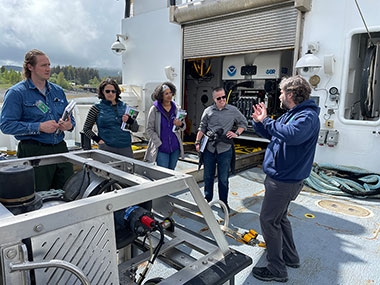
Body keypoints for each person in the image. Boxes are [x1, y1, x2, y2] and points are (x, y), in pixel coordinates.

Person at [251, 75, 320, 282]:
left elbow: (291, 135)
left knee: (268, 220)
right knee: (280, 218)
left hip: (284, 181)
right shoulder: (292, 114)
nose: (279, 96)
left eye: (281, 92)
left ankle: (277, 269)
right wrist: (259, 122)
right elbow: (273, 133)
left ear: (290, 94)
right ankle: (290, 256)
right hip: (281, 178)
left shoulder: (306, 117)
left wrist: (267, 121)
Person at [0, 49, 75, 191]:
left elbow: (71, 121)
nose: (48, 69)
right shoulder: (16, 93)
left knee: (69, 192)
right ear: (30, 67)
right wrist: (39, 127)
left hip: (60, 149)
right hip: (33, 151)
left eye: (49, 65)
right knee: (39, 196)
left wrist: (69, 125)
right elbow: (6, 125)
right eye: (43, 65)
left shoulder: (58, 91)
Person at [195, 87, 247, 211]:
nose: (222, 99)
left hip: (225, 149)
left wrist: (236, 133)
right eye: (219, 98)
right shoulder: (208, 111)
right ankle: (207, 200)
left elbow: (243, 123)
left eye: (224, 97)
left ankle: (224, 203)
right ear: (214, 99)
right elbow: (202, 127)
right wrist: (197, 142)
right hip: (209, 148)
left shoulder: (233, 110)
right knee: (208, 176)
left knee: (223, 179)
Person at [83, 78, 138, 158]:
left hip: (125, 148)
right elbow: (86, 129)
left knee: (127, 171)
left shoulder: (125, 107)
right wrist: (99, 141)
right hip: (106, 148)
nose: (110, 93)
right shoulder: (96, 108)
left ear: (117, 92)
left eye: (113, 91)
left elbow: (135, 128)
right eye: (107, 91)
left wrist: (130, 121)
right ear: (102, 92)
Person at [144, 82, 186, 170]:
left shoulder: (177, 108)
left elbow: (183, 127)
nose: (169, 95)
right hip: (162, 148)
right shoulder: (154, 110)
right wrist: (158, 143)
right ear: (160, 95)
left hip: (175, 148)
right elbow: (149, 129)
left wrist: (180, 124)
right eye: (166, 93)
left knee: (172, 171)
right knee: (163, 173)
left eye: (170, 93)